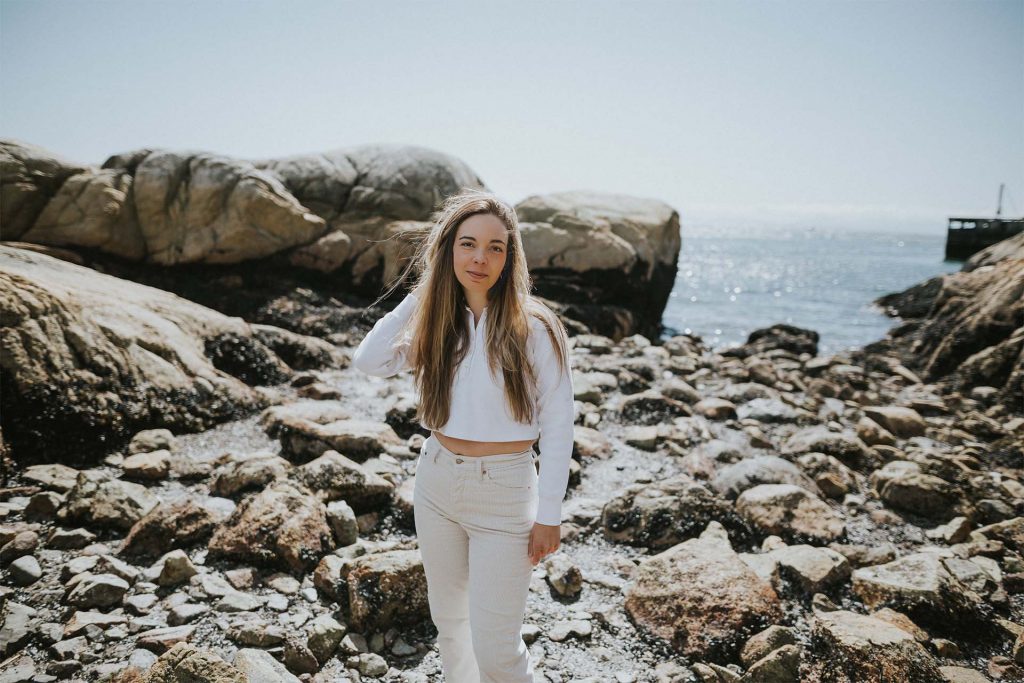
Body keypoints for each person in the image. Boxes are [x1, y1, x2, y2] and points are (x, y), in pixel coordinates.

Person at [351, 187, 574, 682]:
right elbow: (368, 360)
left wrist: (550, 514)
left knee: (497, 650)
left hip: (506, 493)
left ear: (510, 257)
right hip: (437, 484)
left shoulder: (535, 327)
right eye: (468, 243)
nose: (481, 258)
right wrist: (423, 295)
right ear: (447, 248)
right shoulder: (435, 323)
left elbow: (559, 423)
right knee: (451, 629)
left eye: (496, 247)